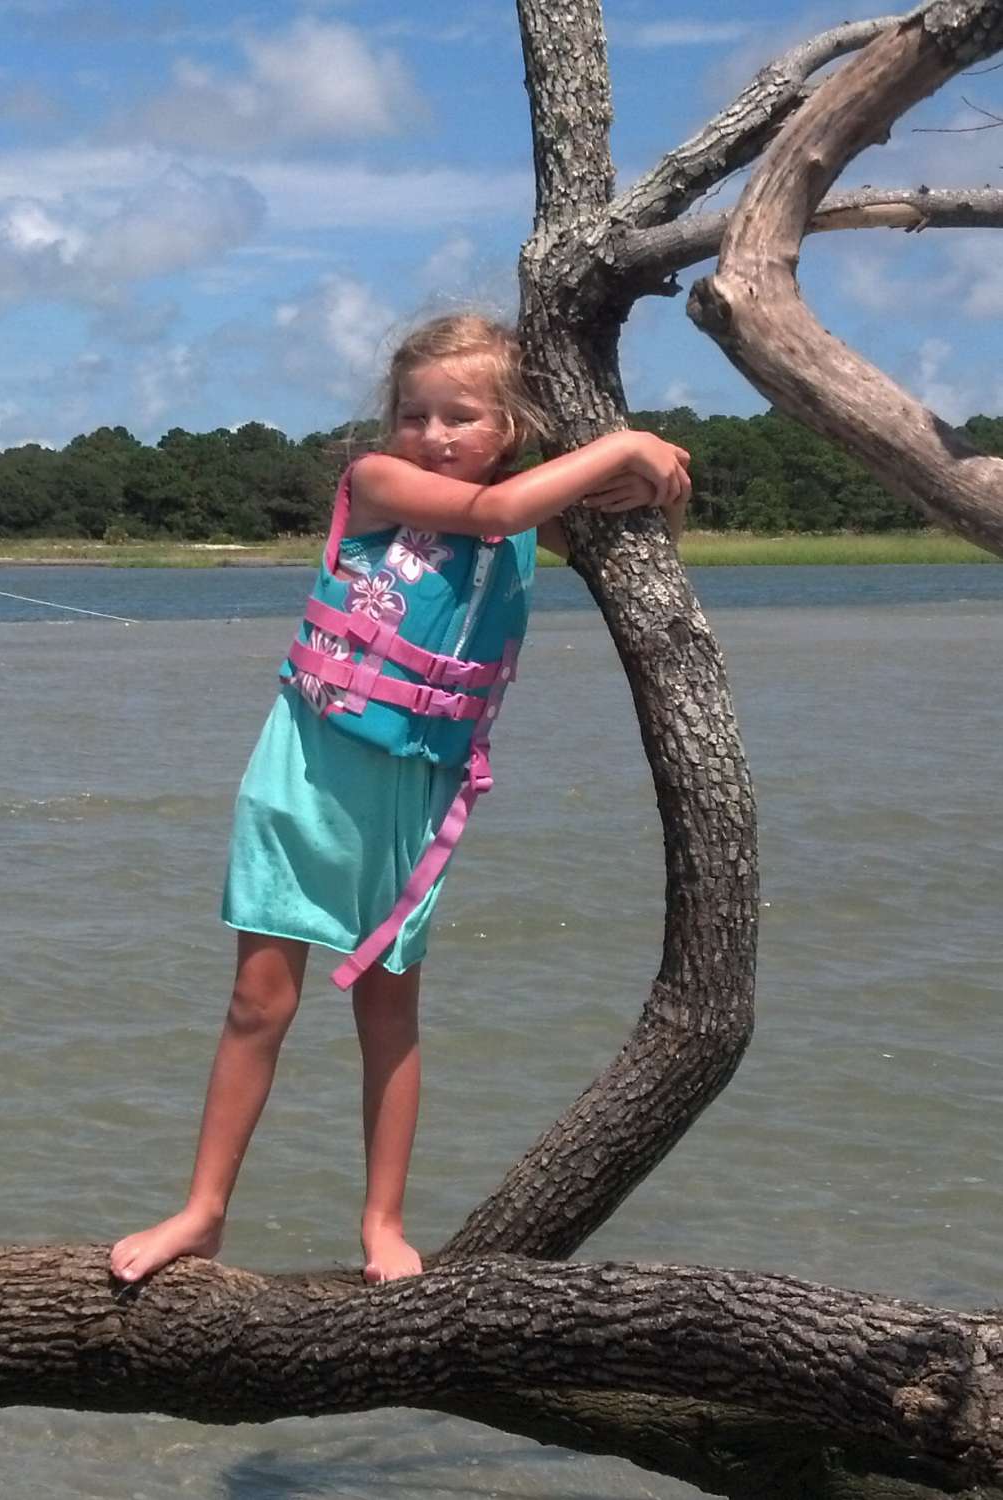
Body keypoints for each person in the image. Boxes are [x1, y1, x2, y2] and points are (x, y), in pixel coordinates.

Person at [110, 313, 691, 1288]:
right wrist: (623, 443)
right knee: (261, 998)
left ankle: (383, 1223)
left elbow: (627, 538)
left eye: (460, 416)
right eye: (414, 413)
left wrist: (658, 478)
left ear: (511, 425)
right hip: (306, 769)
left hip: (416, 792)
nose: (433, 433)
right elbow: (493, 516)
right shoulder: (377, 486)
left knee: (389, 1008)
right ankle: (204, 1210)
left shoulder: (531, 515)